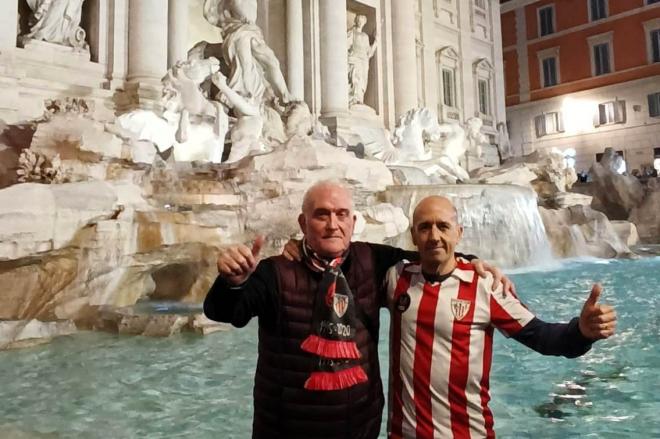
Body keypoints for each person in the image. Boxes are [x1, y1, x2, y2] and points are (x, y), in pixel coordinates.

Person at [204, 180, 510, 439]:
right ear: (303, 223)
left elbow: (432, 255)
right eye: (321, 215)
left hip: (361, 426)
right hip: (288, 428)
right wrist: (232, 281)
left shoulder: (373, 260)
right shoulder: (276, 271)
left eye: (341, 214)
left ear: (353, 221)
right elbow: (224, 312)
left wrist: (473, 262)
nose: (333, 224)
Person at [385, 196, 617, 438]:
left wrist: (581, 332)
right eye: (424, 227)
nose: (434, 236)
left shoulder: (486, 286)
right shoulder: (396, 278)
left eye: (443, 226)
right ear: (413, 235)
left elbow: (542, 336)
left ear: (458, 233)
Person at [347, 15, 378, 106]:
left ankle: (359, 98)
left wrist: (376, 41)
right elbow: (346, 45)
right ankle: (354, 98)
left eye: (362, 21)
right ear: (356, 21)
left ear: (364, 23)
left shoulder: (365, 36)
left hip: (364, 61)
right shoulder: (351, 32)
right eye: (359, 20)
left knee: (362, 80)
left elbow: (369, 52)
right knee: (355, 78)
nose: (360, 23)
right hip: (354, 58)